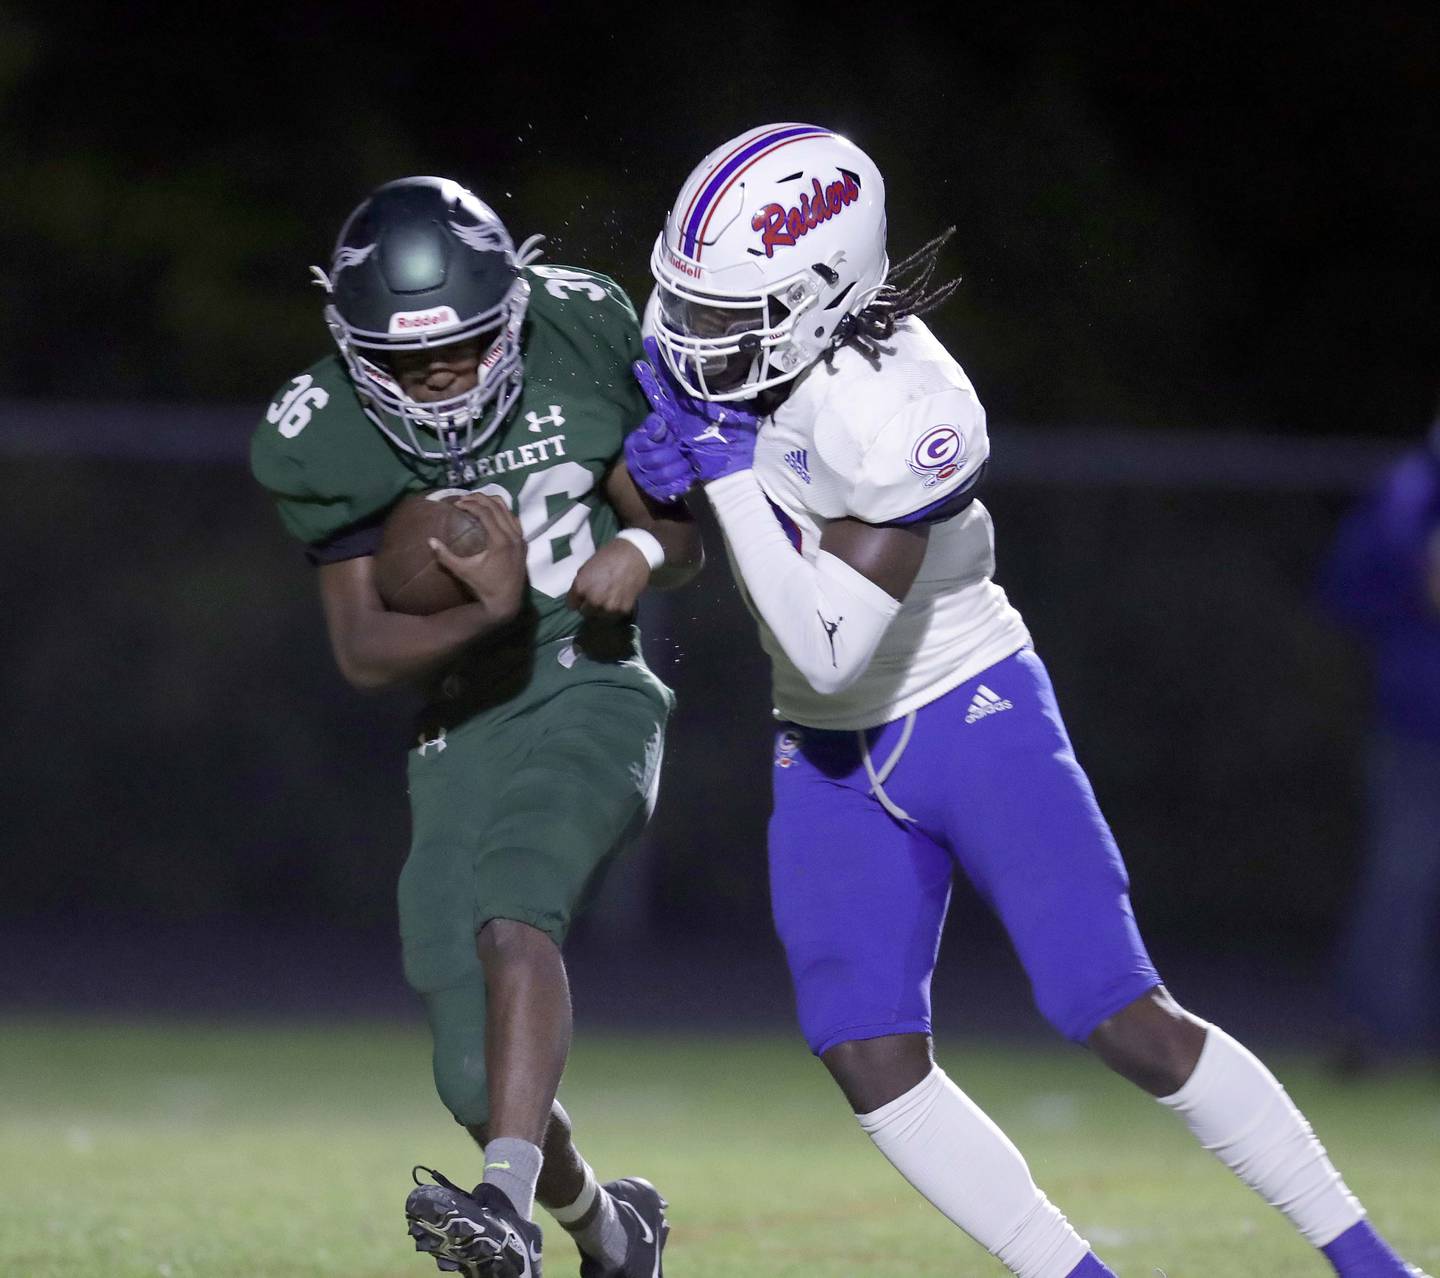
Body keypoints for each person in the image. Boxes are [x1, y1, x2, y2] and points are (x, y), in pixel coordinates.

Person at [624, 123, 1429, 1278]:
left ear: (821, 292)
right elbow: (746, 529)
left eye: (722, 316)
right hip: (822, 741)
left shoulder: (907, 406)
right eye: (685, 306)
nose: (691, 339)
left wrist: (725, 476)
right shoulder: (720, 341)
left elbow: (833, 634)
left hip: (963, 708)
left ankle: (1369, 1264)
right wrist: (679, 501)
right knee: (864, 1049)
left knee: (1122, 1018)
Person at [252, 176, 700, 1278]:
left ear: (511, 309)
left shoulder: (583, 325)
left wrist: (638, 553)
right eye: (405, 359)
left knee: (517, 904)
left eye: (460, 345)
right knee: (471, 1074)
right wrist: (483, 610)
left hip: (593, 681)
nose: (441, 376)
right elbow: (362, 651)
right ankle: (609, 1227)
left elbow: (682, 536)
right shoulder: (317, 431)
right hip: (461, 725)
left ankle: (500, 1210)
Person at [1318, 419, 1440, 1071]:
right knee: (1402, 877)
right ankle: (1375, 1035)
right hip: (1419, 722)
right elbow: (1347, 590)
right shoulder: (1408, 493)